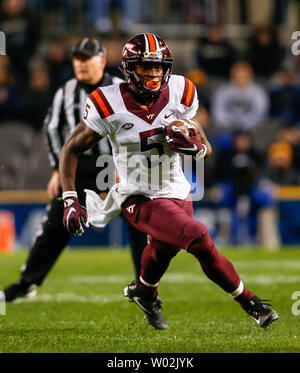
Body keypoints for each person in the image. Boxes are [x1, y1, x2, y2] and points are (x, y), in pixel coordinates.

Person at [58, 33, 279, 330]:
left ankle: (144, 293)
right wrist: (70, 198)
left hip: (175, 187)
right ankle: (252, 303)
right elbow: (70, 148)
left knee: (163, 250)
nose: (153, 74)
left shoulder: (181, 90)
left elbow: (205, 146)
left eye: (158, 67)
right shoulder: (107, 102)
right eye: (146, 67)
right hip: (136, 192)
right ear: (129, 69)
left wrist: (195, 146)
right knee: (198, 236)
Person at [3, 37, 147, 302]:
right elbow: (52, 130)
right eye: (76, 59)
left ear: (102, 61)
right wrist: (57, 170)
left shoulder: (122, 89)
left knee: (139, 221)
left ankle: (145, 286)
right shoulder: (65, 91)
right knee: (56, 224)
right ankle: (27, 283)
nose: (80, 64)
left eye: (86, 58)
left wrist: (126, 163)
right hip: (77, 167)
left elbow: (137, 126)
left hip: (115, 166)